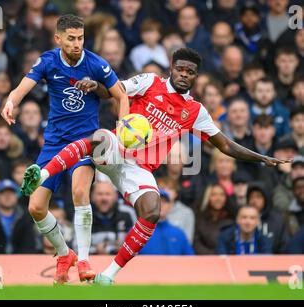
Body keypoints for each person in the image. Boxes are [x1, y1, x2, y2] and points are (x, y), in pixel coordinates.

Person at [22, 48, 289, 285]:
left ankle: (108, 276)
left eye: (190, 72)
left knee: (152, 210)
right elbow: (115, 91)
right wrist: (95, 86)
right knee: (99, 138)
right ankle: (41, 174)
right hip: (118, 150)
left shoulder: (196, 112)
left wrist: (262, 157)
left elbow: (226, 146)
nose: (184, 74)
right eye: (180, 69)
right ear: (171, 67)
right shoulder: (150, 82)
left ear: (196, 76)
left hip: (139, 169)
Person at [0, 14, 129, 284]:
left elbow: (121, 95)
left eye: (80, 38)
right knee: (36, 207)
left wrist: (124, 126)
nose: (77, 44)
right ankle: (63, 253)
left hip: (85, 141)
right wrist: (11, 102)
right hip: (55, 142)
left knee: (80, 192)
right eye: (71, 38)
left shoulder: (96, 64)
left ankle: (83, 260)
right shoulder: (48, 61)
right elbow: (22, 87)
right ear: (58, 38)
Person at [139, 188, 195, 255]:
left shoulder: (179, 233)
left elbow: (190, 260)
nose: (161, 204)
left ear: (170, 206)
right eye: (157, 201)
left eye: (165, 201)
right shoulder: (138, 232)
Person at [0, 179, 36, 254]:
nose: (7, 196)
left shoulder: (25, 216)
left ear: (17, 196)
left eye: (11, 193)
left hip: (20, 261)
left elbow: (29, 244)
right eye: (3, 193)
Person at [87, 181, 133, 255]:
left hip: (123, 262)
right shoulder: (84, 214)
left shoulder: (127, 213)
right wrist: (96, 250)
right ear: (92, 196)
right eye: (100, 194)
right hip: (92, 262)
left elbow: (138, 242)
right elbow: (75, 246)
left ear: (115, 196)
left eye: (108, 194)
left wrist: (123, 248)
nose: (104, 198)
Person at [246, 182, 289, 253]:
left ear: (266, 198)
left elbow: (284, 245)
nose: (254, 201)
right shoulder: (243, 218)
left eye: (258, 197)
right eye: (251, 197)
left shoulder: (277, 220)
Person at [193, 183, 235, 254]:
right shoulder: (198, 219)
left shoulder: (231, 220)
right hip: (204, 260)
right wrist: (214, 258)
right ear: (207, 197)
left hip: (227, 261)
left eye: (222, 195)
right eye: (214, 195)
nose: (218, 198)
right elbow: (196, 244)